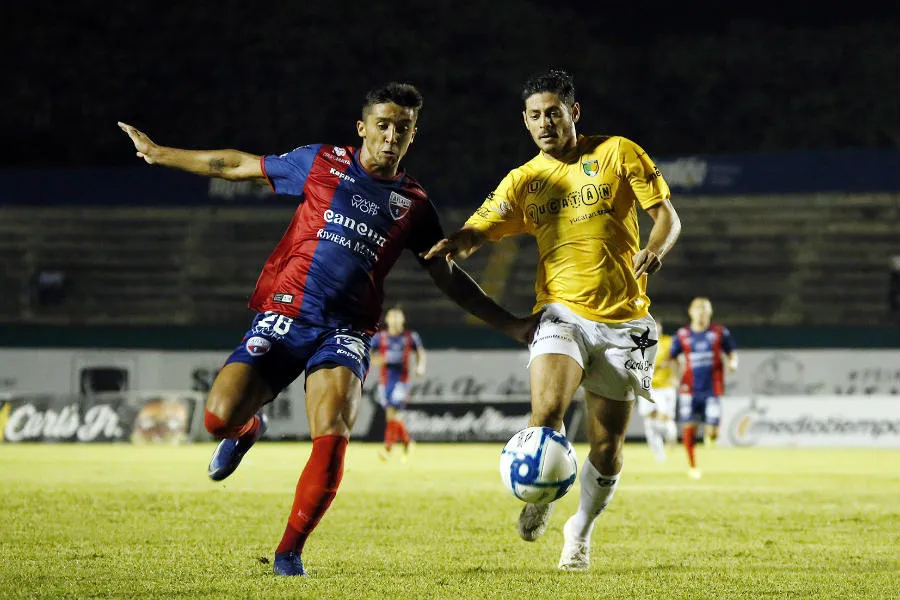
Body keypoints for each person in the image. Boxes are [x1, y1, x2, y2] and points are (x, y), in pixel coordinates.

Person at [118, 82, 538, 577]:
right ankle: (248, 428)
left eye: (402, 129)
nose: (390, 136)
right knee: (217, 418)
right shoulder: (320, 162)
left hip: (347, 330)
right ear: (362, 128)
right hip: (286, 314)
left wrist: (509, 324)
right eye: (382, 125)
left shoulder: (414, 205)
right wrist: (160, 154)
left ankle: (289, 552)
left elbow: (447, 277)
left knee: (333, 433)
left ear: (412, 137)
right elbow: (234, 165)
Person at [424, 69, 681, 571]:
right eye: (535, 116)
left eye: (554, 113)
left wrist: (654, 248)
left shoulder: (618, 153)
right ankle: (541, 494)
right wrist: (459, 241)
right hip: (560, 312)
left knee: (607, 448)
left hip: (625, 324)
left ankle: (579, 529)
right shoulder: (524, 180)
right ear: (525, 121)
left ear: (573, 113)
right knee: (545, 417)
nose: (545, 123)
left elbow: (668, 215)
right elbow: (482, 228)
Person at [671, 297, 738, 479]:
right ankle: (692, 466)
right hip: (689, 388)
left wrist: (733, 363)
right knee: (689, 426)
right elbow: (673, 357)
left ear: (710, 312)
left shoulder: (718, 332)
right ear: (691, 312)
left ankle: (711, 436)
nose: (701, 312)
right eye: (698, 308)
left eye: (705, 309)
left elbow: (731, 352)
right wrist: (677, 377)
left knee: (712, 430)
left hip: (712, 389)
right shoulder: (683, 334)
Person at [368, 306, 424, 460]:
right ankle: (407, 442)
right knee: (391, 416)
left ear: (403, 320)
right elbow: (368, 353)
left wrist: (420, 366)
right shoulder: (381, 337)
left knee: (393, 412)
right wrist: (378, 360)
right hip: (385, 381)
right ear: (387, 320)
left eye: (398, 317)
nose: (395, 320)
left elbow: (420, 352)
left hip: (401, 381)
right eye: (392, 317)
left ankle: (387, 449)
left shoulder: (410, 337)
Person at [636, 319, 678, 461]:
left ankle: (671, 434)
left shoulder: (668, 342)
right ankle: (659, 456)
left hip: (665, 387)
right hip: (647, 387)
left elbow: (677, 360)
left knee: (663, 418)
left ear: (660, 327)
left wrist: (676, 377)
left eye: (656, 325)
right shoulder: (640, 344)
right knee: (649, 421)